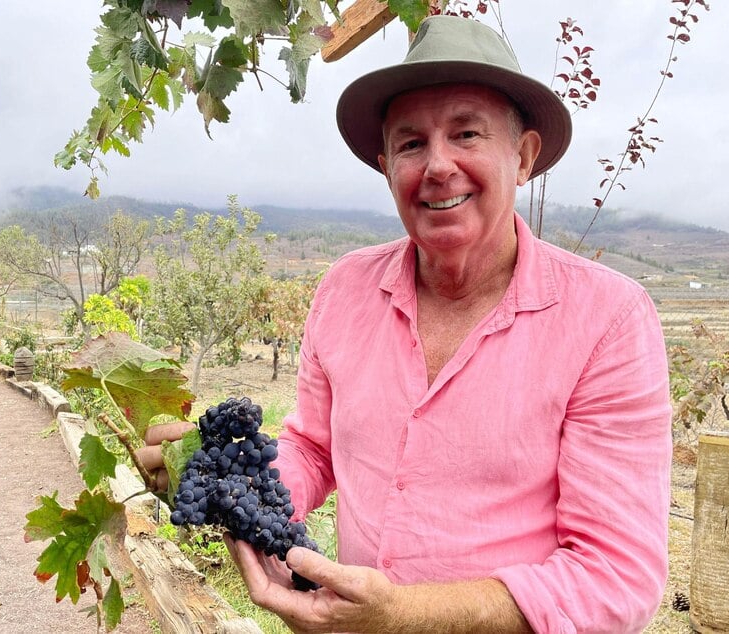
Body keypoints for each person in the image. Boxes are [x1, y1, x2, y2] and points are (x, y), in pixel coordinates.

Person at [140, 15, 672, 634]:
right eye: (412, 143)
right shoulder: (344, 290)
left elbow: (615, 575)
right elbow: (313, 448)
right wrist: (223, 477)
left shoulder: (608, 320)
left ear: (523, 156)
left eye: (466, 133)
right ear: (387, 165)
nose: (438, 165)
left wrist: (403, 617)